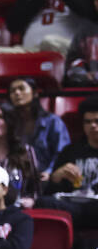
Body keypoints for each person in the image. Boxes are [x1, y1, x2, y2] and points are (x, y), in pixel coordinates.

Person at [38, 96, 98, 231]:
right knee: (43, 202)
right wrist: (56, 176)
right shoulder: (70, 151)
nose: (92, 126)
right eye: (88, 122)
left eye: (96, 121)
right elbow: (50, 191)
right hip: (74, 206)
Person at [8, 77, 71, 180]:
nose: (17, 93)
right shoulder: (11, 123)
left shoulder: (53, 122)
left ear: (35, 93)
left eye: (21, 88)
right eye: (12, 91)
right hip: (17, 179)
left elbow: (62, 153)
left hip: (47, 179)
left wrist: (50, 172)